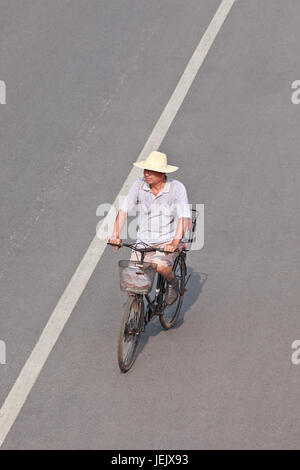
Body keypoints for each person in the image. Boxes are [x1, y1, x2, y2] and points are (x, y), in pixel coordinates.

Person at [109, 151, 191, 305]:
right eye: (146, 170)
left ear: (163, 173)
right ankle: (134, 319)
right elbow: (124, 211)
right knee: (132, 283)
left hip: (167, 241)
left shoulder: (177, 188)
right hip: (144, 241)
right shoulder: (139, 185)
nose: (147, 173)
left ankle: (172, 282)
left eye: (152, 171)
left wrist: (174, 242)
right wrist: (116, 234)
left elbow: (183, 218)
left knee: (159, 266)